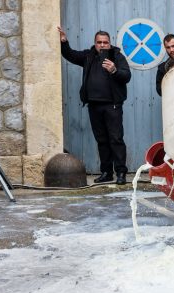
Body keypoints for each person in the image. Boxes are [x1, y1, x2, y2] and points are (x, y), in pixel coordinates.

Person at [58, 26, 131, 185]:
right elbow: (70, 55)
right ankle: (106, 172)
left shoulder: (117, 57)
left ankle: (120, 173)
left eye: (105, 42)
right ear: (95, 43)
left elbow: (127, 76)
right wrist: (64, 42)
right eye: (99, 42)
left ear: (110, 43)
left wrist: (114, 70)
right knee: (102, 140)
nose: (102, 45)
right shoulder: (88, 55)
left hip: (112, 105)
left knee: (116, 139)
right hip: (94, 105)